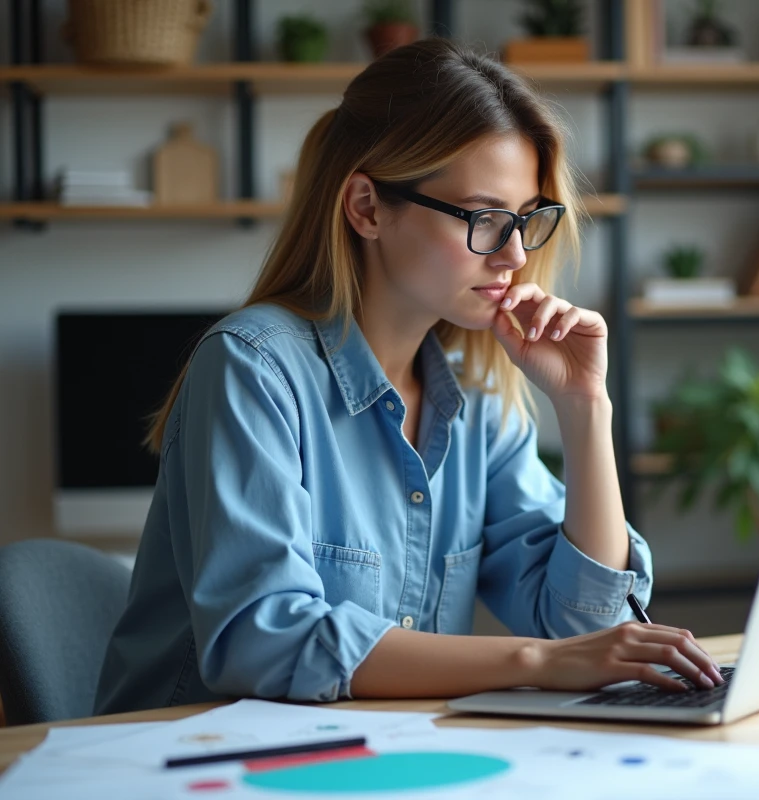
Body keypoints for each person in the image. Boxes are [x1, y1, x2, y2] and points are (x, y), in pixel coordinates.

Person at [94, 39, 723, 715]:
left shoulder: (479, 400)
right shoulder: (253, 367)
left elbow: (590, 632)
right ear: (366, 207)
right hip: (192, 761)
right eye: (484, 218)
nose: (513, 253)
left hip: (377, 758)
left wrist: (583, 405)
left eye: (526, 220)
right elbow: (261, 639)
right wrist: (537, 663)